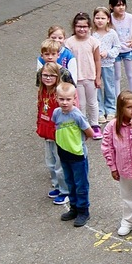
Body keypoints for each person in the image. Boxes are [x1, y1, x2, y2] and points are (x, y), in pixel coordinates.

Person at [100, 91, 132, 242]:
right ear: (120, 108)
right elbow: (107, 147)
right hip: (123, 167)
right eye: (129, 107)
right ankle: (129, 221)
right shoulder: (112, 126)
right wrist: (113, 167)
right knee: (127, 196)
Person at [52, 82, 95, 227]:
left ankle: (84, 210)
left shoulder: (77, 115)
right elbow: (56, 127)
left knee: (80, 184)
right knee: (69, 182)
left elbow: (89, 132)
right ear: (56, 98)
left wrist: (80, 142)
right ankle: (74, 208)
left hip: (78, 156)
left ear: (74, 98)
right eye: (61, 99)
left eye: (68, 99)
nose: (64, 102)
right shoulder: (56, 113)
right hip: (64, 154)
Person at [64, 12, 103, 138]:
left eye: (84, 26)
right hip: (76, 79)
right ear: (74, 27)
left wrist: (98, 77)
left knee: (93, 102)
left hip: (90, 77)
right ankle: (83, 125)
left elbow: (97, 60)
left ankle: (95, 125)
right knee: (80, 103)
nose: (82, 29)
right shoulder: (69, 43)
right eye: (79, 26)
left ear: (89, 27)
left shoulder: (94, 42)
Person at [36, 63, 69, 206]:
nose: (48, 78)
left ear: (57, 77)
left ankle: (65, 191)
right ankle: (57, 186)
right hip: (46, 133)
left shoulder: (59, 94)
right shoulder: (43, 91)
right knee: (50, 163)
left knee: (60, 165)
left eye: (51, 75)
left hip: (58, 135)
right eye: (45, 75)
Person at [91, 7, 121, 125]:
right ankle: (99, 110)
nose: (100, 21)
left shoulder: (112, 33)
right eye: (97, 18)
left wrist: (108, 53)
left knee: (109, 87)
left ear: (108, 19)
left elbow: (117, 47)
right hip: (94, 65)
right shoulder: (92, 34)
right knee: (96, 87)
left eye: (103, 18)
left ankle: (111, 109)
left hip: (108, 64)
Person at [109, 0, 132, 95]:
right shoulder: (109, 18)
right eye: (118, 5)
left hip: (128, 49)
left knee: (130, 74)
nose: (121, 8)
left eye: (123, 5)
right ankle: (117, 97)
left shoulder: (130, 17)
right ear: (111, 6)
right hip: (115, 51)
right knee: (117, 75)